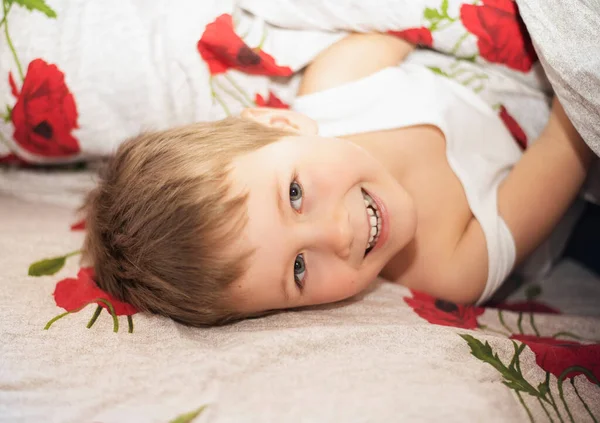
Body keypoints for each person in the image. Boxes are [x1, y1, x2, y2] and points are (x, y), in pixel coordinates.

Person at [83, 34, 594, 326]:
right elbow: (567, 144)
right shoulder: (450, 269)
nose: (339, 235)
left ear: (280, 123)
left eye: (295, 194)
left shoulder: (341, 86)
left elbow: (423, 19)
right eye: (300, 269)